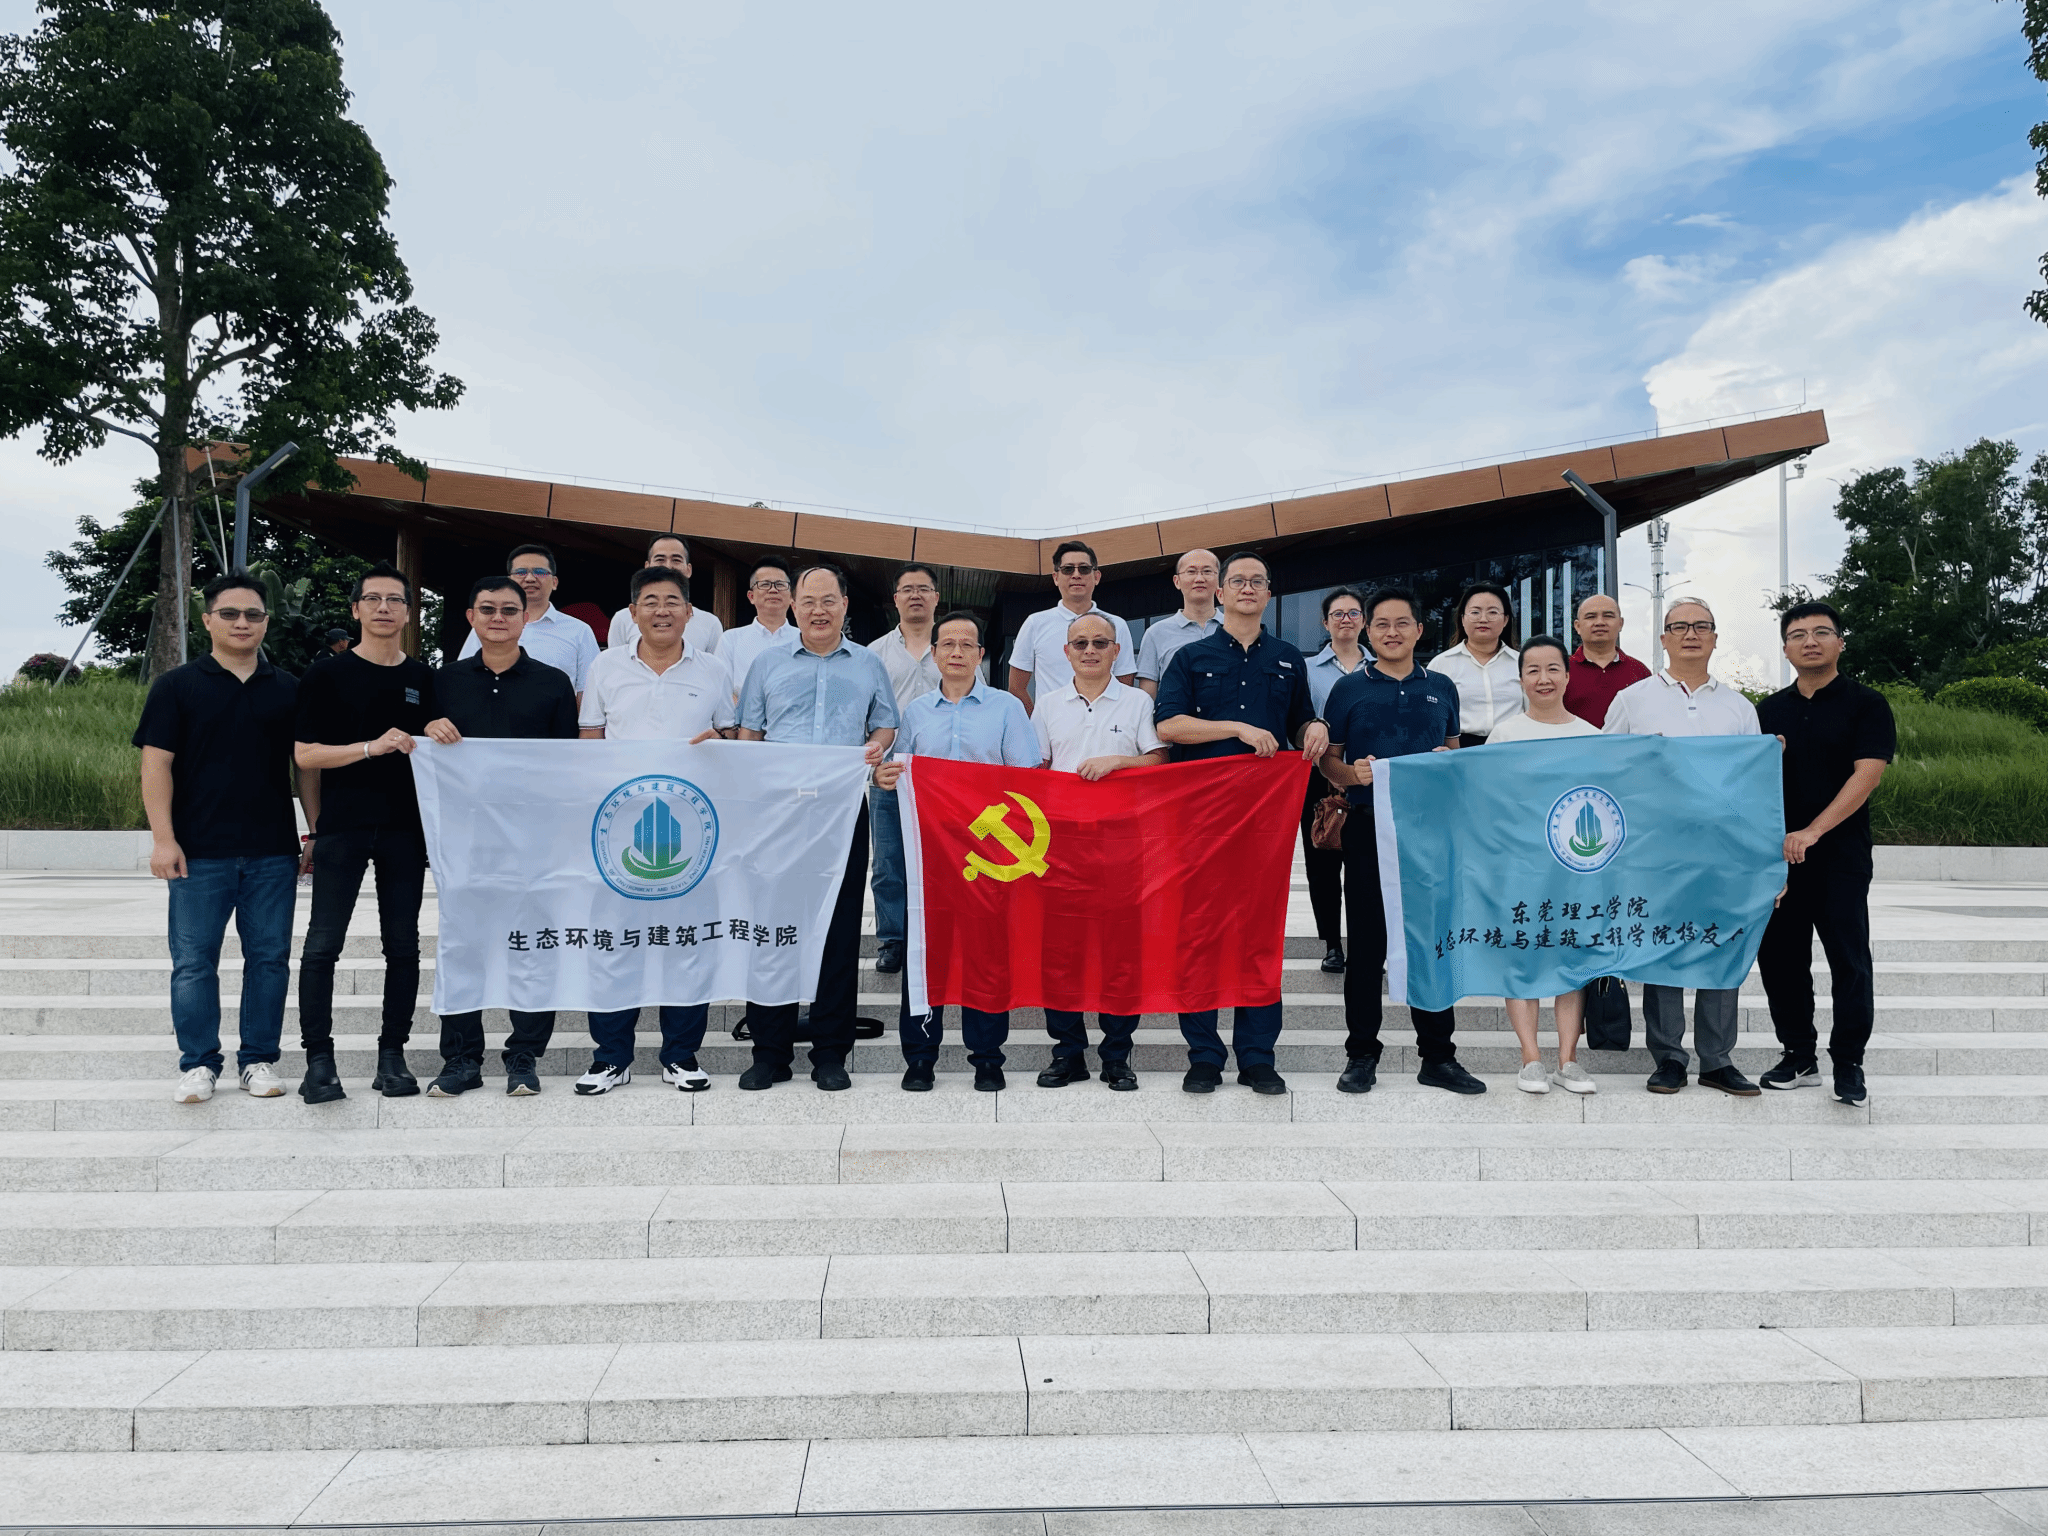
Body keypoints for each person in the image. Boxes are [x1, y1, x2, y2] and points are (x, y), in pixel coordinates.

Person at [1155, 550, 1328, 1096]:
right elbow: (1168, 726)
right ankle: (1204, 1055)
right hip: (1201, 817)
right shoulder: (1190, 656)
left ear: (1269, 594)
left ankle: (1257, 1056)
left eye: (1258, 581)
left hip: (1264, 820)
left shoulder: (1288, 658)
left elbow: (1297, 721)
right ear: (1220, 593)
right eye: (1238, 581)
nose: (1247, 588)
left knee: (1259, 933)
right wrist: (1235, 727)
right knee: (1199, 933)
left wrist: (1314, 726)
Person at [135, 572, 307, 1104]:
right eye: (229, 614)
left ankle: (258, 1060)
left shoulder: (289, 688)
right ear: (207, 620)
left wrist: (315, 832)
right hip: (198, 852)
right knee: (193, 963)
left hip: (272, 851)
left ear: (266, 622)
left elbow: (305, 767)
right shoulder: (176, 686)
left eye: (253, 614)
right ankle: (198, 1064)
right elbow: (156, 765)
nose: (241, 623)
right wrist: (163, 839)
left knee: (270, 960)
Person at [566, 566, 738, 1095]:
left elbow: (730, 738)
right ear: (633, 612)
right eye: (650, 602)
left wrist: (723, 743)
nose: (661, 611)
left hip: (693, 832)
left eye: (671, 601)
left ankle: (680, 1055)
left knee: (689, 942)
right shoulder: (605, 666)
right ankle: (610, 1057)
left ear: (689, 612)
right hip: (620, 831)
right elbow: (590, 741)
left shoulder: (713, 669)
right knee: (615, 942)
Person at [735, 565, 898, 1091]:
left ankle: (830, 1052)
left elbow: (886, 722)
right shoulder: (767, 663)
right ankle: (769, 1052)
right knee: (772, 929)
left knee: (839, 929)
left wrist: (875, 746)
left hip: (842, 811)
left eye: (829, 600)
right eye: (808, 601)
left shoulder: (869, 664)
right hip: (778, 817)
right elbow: (749, 735)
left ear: (845, 605)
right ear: (793, 607)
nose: (818, 610)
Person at [1319, 587, 1483, 1096]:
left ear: (1419, 630)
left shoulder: (1442, 686)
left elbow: (1455, 755)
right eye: (1382, 624)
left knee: (1431, 942)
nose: (1392, 632)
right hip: (1369, 829)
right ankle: (1361, 1054)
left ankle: (1438, 1056)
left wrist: (1448, 762)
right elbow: (1327, 762)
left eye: (1402, 623)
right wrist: (1352, 774)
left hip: (1430, 832)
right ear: (1368, 632)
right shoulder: (1348, 689)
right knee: (1367, 945)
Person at [421, 576, 581, 1095]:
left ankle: (524, 1056)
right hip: (464, 840)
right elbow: (419, 748)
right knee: (463, 945)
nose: (498, 618)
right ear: (470, 617)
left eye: (509, 610)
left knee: (532, 947)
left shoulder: (553, 682)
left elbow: (567, 764)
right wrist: (429, 728)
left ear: (524, 618)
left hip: (535, 841)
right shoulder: (443, 682)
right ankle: (461, 1059)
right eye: (487, 609)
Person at [1603, 597, 1763, 1097]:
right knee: (1663, 948)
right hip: (1655, 850)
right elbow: (1607, 771)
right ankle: (1669, 1056)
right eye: (1679, 627)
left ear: (1715, 637)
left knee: (1721, 946)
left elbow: (1754, 787)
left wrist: (1758, 857)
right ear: (1663, 639)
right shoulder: (1633, 699)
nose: (1690, 634)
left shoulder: (1739, 707)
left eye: (1701, 626)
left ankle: (1717, 1059)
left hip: (1723, 850)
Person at [291, 563, 438, 1104]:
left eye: (394, 599)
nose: (383, 608)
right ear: (355, 609)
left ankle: (392, 1056)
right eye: (372, 599)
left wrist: (439, 729)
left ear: (408, 612)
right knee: (321, 946)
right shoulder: (325, 674)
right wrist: (370, 748)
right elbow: (306, 755)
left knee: (403, 947)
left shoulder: (424, 678)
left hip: (405, 829)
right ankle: (319, 1061)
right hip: (342, 826)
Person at [875, 610, 1040, 1091]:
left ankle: (987, 1058)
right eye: (947, 644)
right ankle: (920, 1058)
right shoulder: (916, 713)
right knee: (925, 953)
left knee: (987, 956)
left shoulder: (1007, 708)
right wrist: (884, 775)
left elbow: (1025, 778)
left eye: (967, 644)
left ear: (981, 655)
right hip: (930, 854)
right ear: (934, 653)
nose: (957, 652)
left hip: (988, 854)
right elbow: (901, 772)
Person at [1756, 601, 1895, 1108]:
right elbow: (1748, 780)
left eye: (1821, 632)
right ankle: (1798, 1054)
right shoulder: (1768, 711)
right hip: (1778, 857)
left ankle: (1849, 1061)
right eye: (1798, 635)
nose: (1809, 642)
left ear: (1840, 642)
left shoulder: (1866, 704)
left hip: (1840, 856)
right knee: (1781, 959)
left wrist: (1814, 830)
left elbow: (1867, 774)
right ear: (1785, 648)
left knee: (1849, 961)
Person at [1031, 610, 1167, 1090]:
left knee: (1120, 951)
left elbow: (1158, 761)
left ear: (1116, 651)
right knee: (1060, 951)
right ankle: (1068, 1053)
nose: (1090, 650)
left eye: (1100, 643)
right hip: (1062, 842)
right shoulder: (1047, 704)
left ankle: (1116, 1055)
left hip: (1121, 842)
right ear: (1066, 652)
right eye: (1081, 643)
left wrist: (1118, 763)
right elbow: (1035, 769)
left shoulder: (1137, 702)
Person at [1485, 636, 1599, 1095]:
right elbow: (1486, 801)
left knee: (1571, 959)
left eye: (1553, 668)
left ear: (1568, 676)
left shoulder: (1593, 737)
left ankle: (1568, 1060)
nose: (1543, 678)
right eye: (1533, 670)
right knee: (1522, 958)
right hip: (1520, 867)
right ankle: (1530, 1058)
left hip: (1575, 869)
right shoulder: (1504, 735)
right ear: (1520, 680)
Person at [867, 563, 946, 977]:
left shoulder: (953, 645)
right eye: (907, 589)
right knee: (888, 862)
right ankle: (893, 940)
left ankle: (936, 934)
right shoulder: (874, 653)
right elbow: (865, 712)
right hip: (890, 771)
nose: (916, 595)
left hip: (942, 777)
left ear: (936, 598)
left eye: (924, 589)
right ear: (895, 599)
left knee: (942, 859)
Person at [1303, 587, 1367, 975]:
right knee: (1322, 864)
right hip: (1317, 777)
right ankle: (1331, 944)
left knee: (1366, 864)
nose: (1346, 619)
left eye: (1353, 613)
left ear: (1364, 621)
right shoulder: (1307, 670)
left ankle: (1365, 944)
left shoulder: (1379, 667)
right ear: (1325, 623)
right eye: (1338, 614)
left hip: (1368, 776)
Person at [457, 543, 600, 700]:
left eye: (540, 572)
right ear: (509, 581)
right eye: (521, 572)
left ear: (554, 582)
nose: (530, 578)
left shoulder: (579, 630)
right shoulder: (490, 626)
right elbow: (464, 678)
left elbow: (588, 691)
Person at [1006, 540, 1135, 712]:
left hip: (1105, 724)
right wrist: (1036, 722)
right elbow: (1016, 687)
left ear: (1096, 577)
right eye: (1068, 569)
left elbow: (1124, 684)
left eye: (1084, 569)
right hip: (1051, 727)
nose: (1076, 575)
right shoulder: (1035, 623)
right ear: (1056, 578)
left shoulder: (1117, 625)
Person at [1429, 583, 1522, 748]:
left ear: (1505, 620)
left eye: (1492, 612)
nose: (1483, 619)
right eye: (1475, 612)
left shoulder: (1522, 662)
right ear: (1462, 619)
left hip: (1513, 748)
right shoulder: (1441, 664)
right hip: (1460, 749)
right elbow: (1430, 715)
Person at [605, 533, 725, 656]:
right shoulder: (622, 619)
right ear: (647, 567)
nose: (668, 566)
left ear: (688, 570)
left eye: (676, 560)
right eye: (660, 559)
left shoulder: (710, 623)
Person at [1134, 549, 1221, 698]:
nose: (1199, 578)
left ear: (1219, 579)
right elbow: (1147, 698)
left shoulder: (1237, 629)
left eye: (1207, 571)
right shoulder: (1156, 633)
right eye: (1191, 572)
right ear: (1177, 581)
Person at [718, 555, 800, 701]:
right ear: (751, 596)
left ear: (791, 596)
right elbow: (720, 689)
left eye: (780, 584)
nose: (773, 590)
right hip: (742, 714)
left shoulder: (804, 640)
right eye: (765, 584)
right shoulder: (731, 639)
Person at [1563, 593, 1651, 728]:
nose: (1600, 622)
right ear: (1578, 626)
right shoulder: (1561, 670)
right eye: (1591, 617)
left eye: (1608, 616)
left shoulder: (1639, 671)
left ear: (1620, 624)